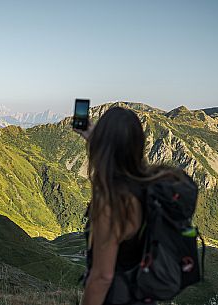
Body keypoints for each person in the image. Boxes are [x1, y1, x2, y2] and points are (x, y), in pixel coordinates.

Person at [74, 106, 183, 305]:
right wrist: (93, 137)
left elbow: (102, 277)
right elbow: (117, 163)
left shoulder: (112, 201)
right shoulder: (148, 183)